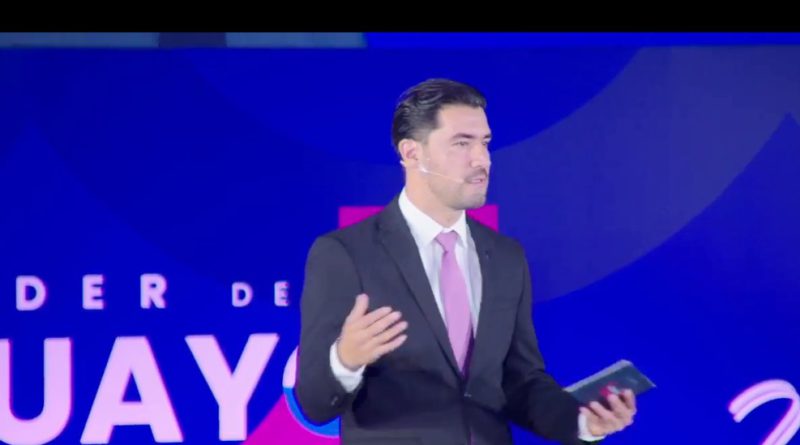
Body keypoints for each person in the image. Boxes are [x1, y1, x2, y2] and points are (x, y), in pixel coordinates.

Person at [295, 78, 636, 445]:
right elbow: (314, 403)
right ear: (412, 153)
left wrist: (582, 422)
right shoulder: (345, 254)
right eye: (462, 143)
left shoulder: (506, 256)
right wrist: (345, 360)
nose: (482, 160)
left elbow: (520, 382)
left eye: (485, 143)